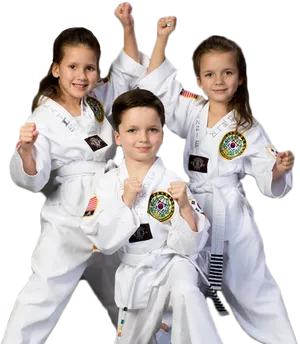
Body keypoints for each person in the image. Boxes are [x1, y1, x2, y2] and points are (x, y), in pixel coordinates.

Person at [135, 15, 298, 344]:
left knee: (252, 285)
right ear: (198, 80)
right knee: (175, 281)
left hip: (229, 215)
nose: (219, 81)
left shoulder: (247, 126)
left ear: (240, 78)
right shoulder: (193, 107)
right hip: (188, 207)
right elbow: (157, 86)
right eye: (210, 74)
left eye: (227, 73)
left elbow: (268, 174)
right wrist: (163, 38)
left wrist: (280, 167)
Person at [3, 4, 149, 343]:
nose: (81, 76)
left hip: (109, 202)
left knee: (127, 291)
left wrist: (127, 25)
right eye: (72, 67)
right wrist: (25, 150)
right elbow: (33, 176)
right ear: (55, 69)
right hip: (71, 213)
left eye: (89, 68)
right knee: (45, 291)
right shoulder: (43, 117)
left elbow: (126, 74)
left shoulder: (96, 102)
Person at [80, 88, 223, 344]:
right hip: (135, 276)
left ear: (163, 134)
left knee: (186, 291)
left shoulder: (173, 182)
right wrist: (125, 201)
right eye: (133, 130)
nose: (143, 138)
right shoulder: (106, 183)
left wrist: (186, 209)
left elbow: (189, 247)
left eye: (152, 130)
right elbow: (102, 241)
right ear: (118, 136)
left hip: (171, 265)